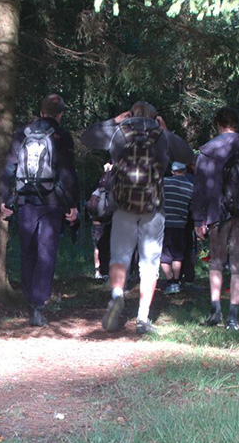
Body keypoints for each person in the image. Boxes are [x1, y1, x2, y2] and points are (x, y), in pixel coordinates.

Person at [81, 101, 194, 335]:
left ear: (130, 114)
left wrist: (114, 121)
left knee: (120, 257)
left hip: (123, 205)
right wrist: (166, 130)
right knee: (149, 263)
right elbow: (187, 154)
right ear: (155, 117)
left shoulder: (119, 133)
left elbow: (87, 137)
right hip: (153, 207)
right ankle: (143, 317)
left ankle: (117, 296)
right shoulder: (161, 136)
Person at [0, 94, 79, 327]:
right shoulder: (61, 136)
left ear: (41, 111)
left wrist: (4, 199)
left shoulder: (22, 133)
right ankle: (37, 305)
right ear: (60, 114)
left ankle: (29, 298)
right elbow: (67, 172)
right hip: (52, 202)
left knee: (28, 251)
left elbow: (9, 167)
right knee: (46, 252)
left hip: (25, 201)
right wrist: (72, 205)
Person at [191, 106, 239, 331]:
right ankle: (233, 317)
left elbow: (200, 188)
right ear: (236, 123)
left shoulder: (208, 150)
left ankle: (216, 310)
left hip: (217, 213)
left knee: (216, 262)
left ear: (219, 124)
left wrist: (198, 220)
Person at [160, 161, 194, 294]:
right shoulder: (190, 186)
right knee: (177, 256)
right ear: (185, 171)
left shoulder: (164, 183)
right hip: (180, 225)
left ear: (172, 171)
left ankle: (169, 282)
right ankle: (176, 282)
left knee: (164, 256)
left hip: (164, 224)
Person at [88, 162, 113, 280]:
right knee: (109, 247)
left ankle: (98, 271)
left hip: (97, 221)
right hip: (110, 221)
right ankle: (108, 271)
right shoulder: (115, 187)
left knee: (97, 247)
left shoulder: (97, 186)